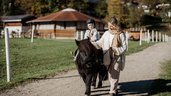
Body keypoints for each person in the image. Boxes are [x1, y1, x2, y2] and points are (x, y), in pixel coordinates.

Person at [91, 16, 127, 96]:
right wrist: (91, 44)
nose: (110, 27)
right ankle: (114, 88)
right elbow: (100, 43)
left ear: (115, 25)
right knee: (110, 73)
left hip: (117, 56)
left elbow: (125, 47)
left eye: (111, 25)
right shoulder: (106, 33)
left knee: (115, 73)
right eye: (109, 25)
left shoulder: (121, 34)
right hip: (107, 56)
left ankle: (112, 91)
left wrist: (116, 50)